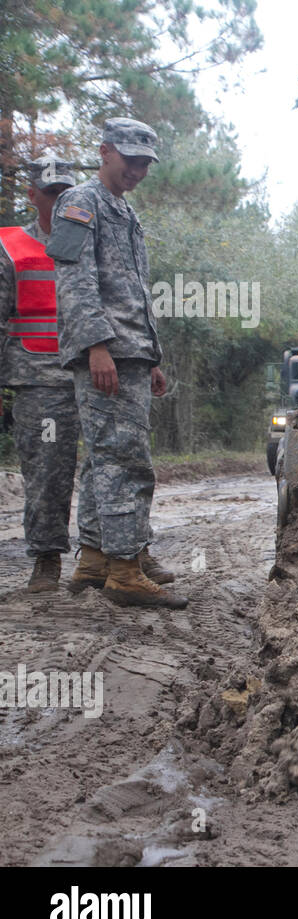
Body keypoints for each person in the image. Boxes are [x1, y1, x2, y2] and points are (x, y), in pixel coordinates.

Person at [46, 118, 186, 609]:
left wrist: (150, 356)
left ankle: (96, 558)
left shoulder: (122, 210)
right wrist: (96, 346)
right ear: (105, 152)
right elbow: (75, 281)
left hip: (130, 351)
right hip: (106, 351)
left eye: (146, 163)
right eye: (131, 160)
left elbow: (132, 292)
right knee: (125, 460)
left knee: (103, 460)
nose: (139, 170)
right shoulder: (80, 202)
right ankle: (125, 571)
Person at [0, 154, 80, 591]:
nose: (60, 200)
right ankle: (46, 560)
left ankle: (107, 559)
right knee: (47, 467)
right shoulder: (11, 247)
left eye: (66, 193)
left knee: (111, 464)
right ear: (32, 195)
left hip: (96, 372)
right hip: (39, 379)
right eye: (51, 193)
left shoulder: (93, 240)